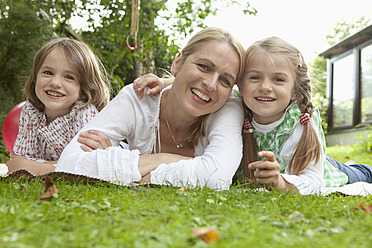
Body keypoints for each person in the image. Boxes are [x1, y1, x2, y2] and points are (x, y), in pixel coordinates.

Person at [55, 27, 246, 190]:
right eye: (204, 67)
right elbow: (69, 165)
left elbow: (215, 177)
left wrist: (123, 166)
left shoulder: (228, 107)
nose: (212, 84)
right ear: (177, 62)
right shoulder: (138, 97)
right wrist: (162, 159)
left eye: (225, 80)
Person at [235, 36, 372, 195]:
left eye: (278, 79)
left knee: (363, 173)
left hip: (326, 170)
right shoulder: (234, 113)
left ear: (295, 91)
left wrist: (279, 182)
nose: (265, 87)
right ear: (241, 86)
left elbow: (313, 180)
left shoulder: (299, 118)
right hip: (307, 163)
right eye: (255, 77)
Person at [5, 37, 111, 176]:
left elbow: (82, 163)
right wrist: (27, 164)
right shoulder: (30, 111)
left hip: (116, 152)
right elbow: (22, 158)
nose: (55, 83)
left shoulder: (84, 114)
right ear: (35, 77)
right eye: (48, 73)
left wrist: (33, 166)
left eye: (69, 77)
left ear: (84, 86)